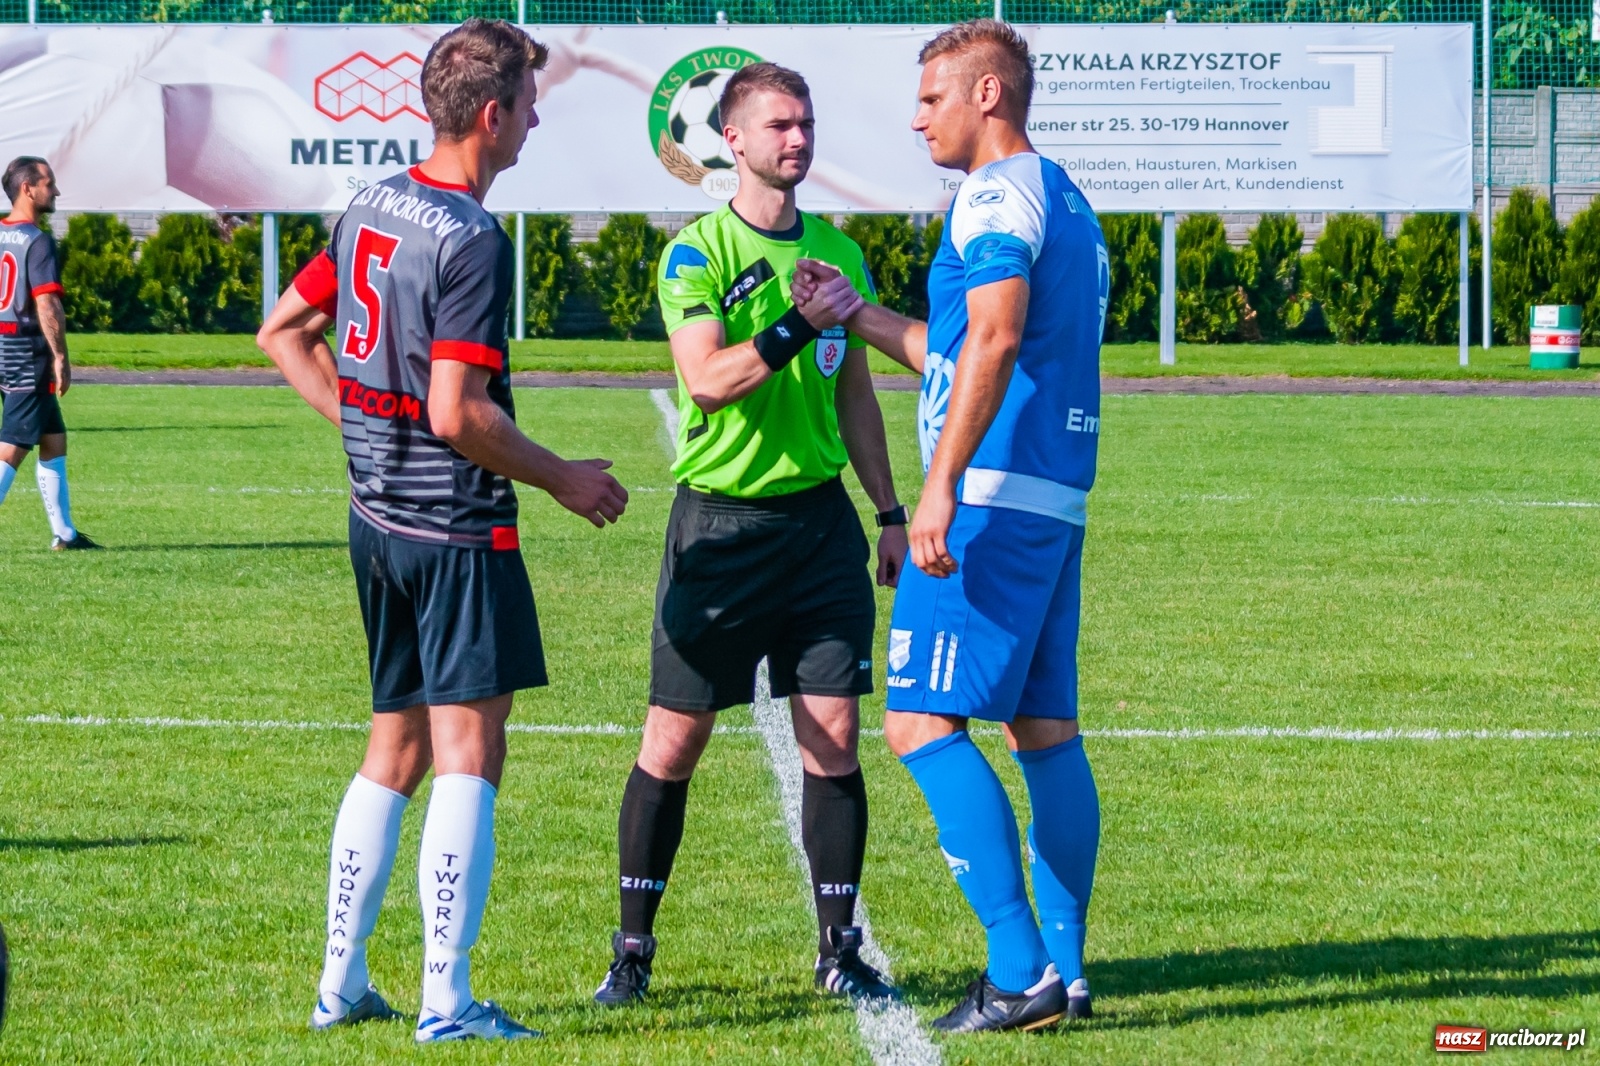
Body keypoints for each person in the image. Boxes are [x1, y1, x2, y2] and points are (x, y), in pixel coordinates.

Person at [257, 18, 627, 1044]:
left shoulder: (373, 199)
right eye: (531, 104)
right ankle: (447, 1000)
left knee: (395, 748)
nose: (538, 120)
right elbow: (459, 412)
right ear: (495, 114)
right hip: (455, 530)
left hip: (375, 519)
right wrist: (564, 479)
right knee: (470, 753)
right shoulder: (469, 236)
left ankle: (340, 984)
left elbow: (281, 332)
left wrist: (358, 421)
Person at [794, 19, 1109, 1033]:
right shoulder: (1061, 193)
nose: (916, 115)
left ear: (986, 96)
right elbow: (961, 344)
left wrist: (938, 486)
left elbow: (998, 333)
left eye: (932, 97)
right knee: (1044, 732)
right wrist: (858, 314)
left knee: (919, 722)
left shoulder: (992, 192)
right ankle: (1064, 968)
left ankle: (1019, 974)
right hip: (1048, 497)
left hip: (987, 498)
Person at [592, 61, 908, 1007]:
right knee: (673, 740)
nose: (797, 140)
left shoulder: (841, 257)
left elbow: (856, 391)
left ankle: (838, 946)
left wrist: (888, 511)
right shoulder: (697, 254)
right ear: (733, 142)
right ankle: (633, 951)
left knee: (837, 737)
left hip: (820, 527)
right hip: (721, 525)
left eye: (805, 124)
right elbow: (708, 379)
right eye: (778, 126)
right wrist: (794, 323)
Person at [0, 157, 98, 551]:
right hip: (27, 350)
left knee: (52, 437)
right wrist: (61, 356)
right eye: (48, 183)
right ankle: (64, 535)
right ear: (28, 189)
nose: (55, 191)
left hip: (2, 343)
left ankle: (65, 534)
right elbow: (47, 305)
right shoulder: (37, 241)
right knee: (13, 446)